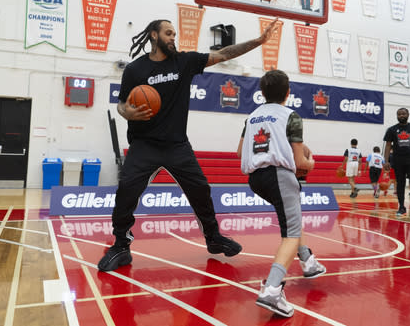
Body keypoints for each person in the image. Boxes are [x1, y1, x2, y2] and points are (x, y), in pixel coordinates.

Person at [98, 18, 279, 272]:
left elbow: (224, 53)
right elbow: (121, 104)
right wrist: (127, 112)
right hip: (144, 144)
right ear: (153, 35)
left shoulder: (184, 62)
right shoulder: (135, 70)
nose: (173, 37)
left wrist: (259, 41)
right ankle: (121, 245)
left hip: (176, 145)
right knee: (126, 190)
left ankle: (213, 238)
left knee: (200, 189)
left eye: (175, 34)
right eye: (168, 33)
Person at [236, 70, 326, 318]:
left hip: (256, 178)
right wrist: (312, 162)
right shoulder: (291, 116)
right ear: (288, 92)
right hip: (279, 176)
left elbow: (239, 152)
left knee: (292, 218)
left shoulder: (252, 117)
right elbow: (299, 162)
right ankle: (272, 289)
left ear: (262, 94)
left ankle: (307, 261)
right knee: (291, 233)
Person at [383, 108, 410, 216]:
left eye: (403, 114)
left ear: (408, 114)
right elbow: (388, 145)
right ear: (396, 116)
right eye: (399, 114)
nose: (401, 116)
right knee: (400, 184)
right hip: (398, 160)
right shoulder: (391, 129)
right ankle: (401, 207)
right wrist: (386, 161)